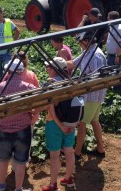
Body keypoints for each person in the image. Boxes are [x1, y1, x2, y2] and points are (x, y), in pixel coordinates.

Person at [0, 59, 39, 191]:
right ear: (21, 71)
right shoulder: (27, 87)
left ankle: (2, 185)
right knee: (21, 163)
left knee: (3, 160)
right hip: (23, 129)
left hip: (3, 130)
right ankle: (18, 188)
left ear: (8, 71)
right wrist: (35, 114)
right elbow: (42, 99)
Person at [67, 31, 107, 160]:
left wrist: (80, 80)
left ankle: (77, 152)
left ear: (86, 41)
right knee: (95, 121)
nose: (79, 44)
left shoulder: (96, 56)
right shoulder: (88, 52)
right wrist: (59, 63)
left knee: (82, 123)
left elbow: (96, 78)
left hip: (92, 95)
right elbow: (73, 63)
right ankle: (100, 149)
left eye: (80, 42)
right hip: (93, 95)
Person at [41, 57, 76, 191]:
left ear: (55, 70)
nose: (47, 69)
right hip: (70, 122)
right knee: (69, 151)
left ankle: (53, 185)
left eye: (49, 67)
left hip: (54, 124)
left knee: (54, 155)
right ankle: (68, 178)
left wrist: (60, 125)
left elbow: (50, 108)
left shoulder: (50, 84)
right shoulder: (71, 82)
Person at [105, 11, 121, 99]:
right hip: (111, 56)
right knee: (112, 76)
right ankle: (116, 97)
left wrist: (117, 56)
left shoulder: (120, 29)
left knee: (117, 77)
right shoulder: (112, 26)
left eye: (108, 17)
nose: (107, 19)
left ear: (111, 18)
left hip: (117, 56)